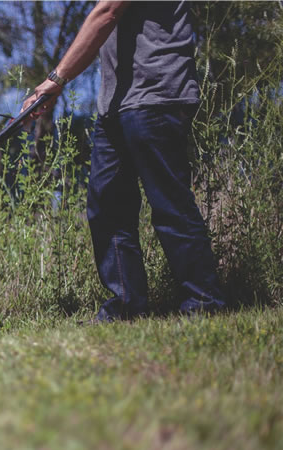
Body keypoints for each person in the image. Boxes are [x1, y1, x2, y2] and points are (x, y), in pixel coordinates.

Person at [22, 1, 225, 321]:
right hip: (116, 104)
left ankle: (204, 302)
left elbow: (107, 13)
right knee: (107, 207)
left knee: (170, 204)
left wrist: (56, 80)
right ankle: (126, 306)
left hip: (156, 93)